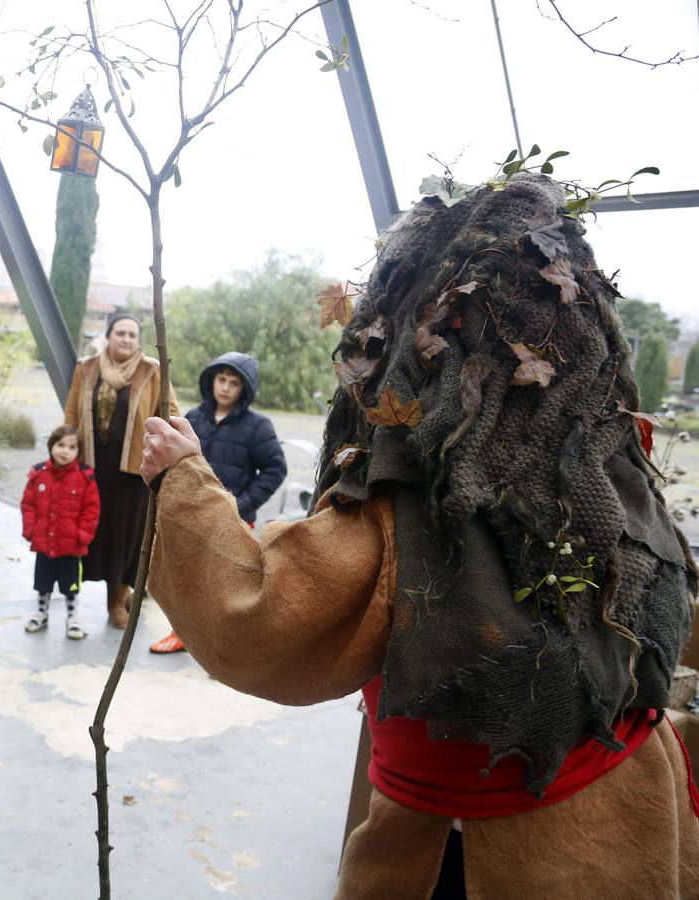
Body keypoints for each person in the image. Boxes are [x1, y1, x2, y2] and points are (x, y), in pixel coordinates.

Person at [140, 173, 699, 897]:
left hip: (474, 852)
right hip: (623, 823)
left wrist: (185, 482)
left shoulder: (402, 506)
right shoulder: (614, 468)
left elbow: (260, 616)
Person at [149, 352, 286, 654]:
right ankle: (181, 634)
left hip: (232, 517)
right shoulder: (193, 419)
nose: (225, 387)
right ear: (211, 380)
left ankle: (225, 648)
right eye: (221, 379)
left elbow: (276, 468)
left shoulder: (257, 426)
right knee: (187, 576)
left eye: (234, 383)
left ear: (244, 389)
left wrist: (244, 503)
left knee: (226, 583)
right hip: (193, 512)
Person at [63, 313, 175, 629]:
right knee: (93, 534)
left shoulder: (152, 370)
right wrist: (66, 456)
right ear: (108, 335)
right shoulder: (86, 369)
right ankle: (77, 599)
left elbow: (171, 413)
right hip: (92, 470)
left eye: (132, 335)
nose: (126, 339)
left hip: (132, 473)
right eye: (120, 333)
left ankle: (116, 603)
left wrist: (162, 448)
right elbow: (72, 413)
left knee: (127, 539)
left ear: (138, 340)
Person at [21, 425, 99, 640]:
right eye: (60, 445)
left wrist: (82, 536)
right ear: (51, 446)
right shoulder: (38, 474)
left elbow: (91, 509)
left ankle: (72, 617)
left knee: (70, 585)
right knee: (43, 582)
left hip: (71, 546)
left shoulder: (85, 477)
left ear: (78, 451)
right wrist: (30, 530)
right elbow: (28, 505)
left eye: (72, 447)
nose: (65, 451)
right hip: (44, 542)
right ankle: (41, 613)